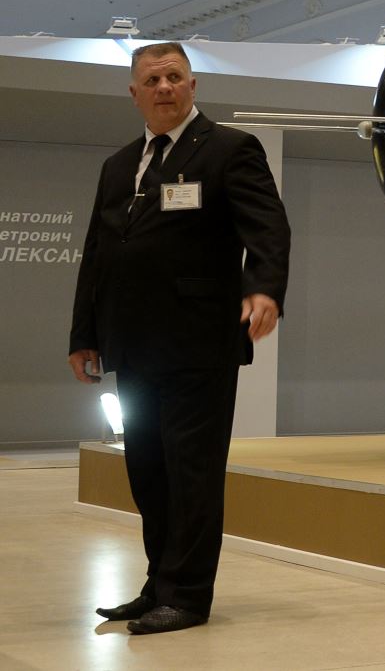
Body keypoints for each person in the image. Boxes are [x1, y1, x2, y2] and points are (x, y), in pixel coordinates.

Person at [68, 42, 290, 635]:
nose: (164, 86)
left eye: (175, 77)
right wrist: (84, 334)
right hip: (132, 345)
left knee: (190, 473)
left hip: (198, 343)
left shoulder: (228, 149)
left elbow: (267, 225)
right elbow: (97, 255)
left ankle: (188, 596)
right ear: (134, 93)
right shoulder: (118, 166)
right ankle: (158, 584)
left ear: (193, 87)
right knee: (148, 472)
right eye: (152, 79)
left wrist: (264, 287)